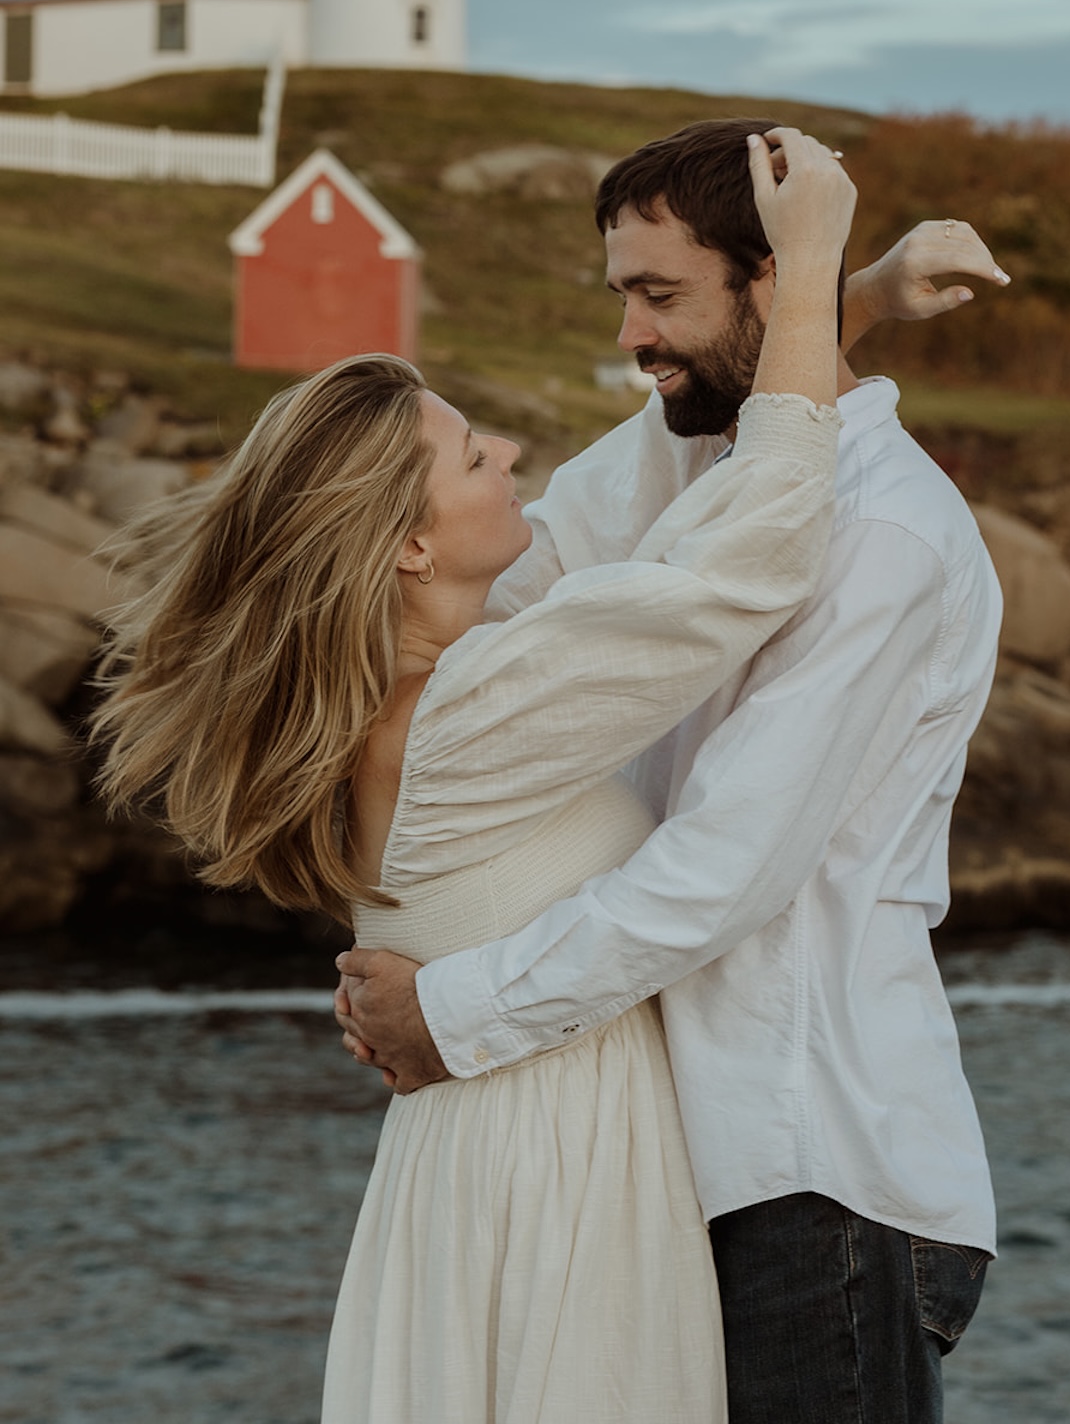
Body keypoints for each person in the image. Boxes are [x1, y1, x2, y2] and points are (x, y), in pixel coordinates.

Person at [91, 129, 858, 1423]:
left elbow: (632, 499)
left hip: (481, 1154)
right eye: (469, 455)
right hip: (553, 1171)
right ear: (404, 546)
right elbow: (746, 556)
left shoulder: (420, 688)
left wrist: (846, 300)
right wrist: (819, 255)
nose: (507, 447)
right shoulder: (466, 713)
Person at [338, 118, 1010, 1424]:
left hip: (813, 1171)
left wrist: (455, 1013)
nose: (634, 336)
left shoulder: (878, 535)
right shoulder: (715, 470)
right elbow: (563, 541)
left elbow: (727, 867)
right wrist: (849, 306)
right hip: (683, 1160)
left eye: (662, 296)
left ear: (768, 282)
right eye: (623, 296)